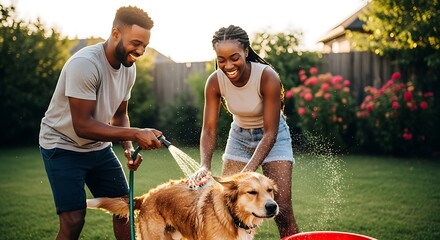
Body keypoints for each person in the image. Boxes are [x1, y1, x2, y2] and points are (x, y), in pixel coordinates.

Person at [39, 6, 163, 240]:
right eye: (136, 43)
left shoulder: (129, 69)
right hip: (62, 145)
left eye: (144, 46)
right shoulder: (85, 64)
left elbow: (119, 116)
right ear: (116, 34)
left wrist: (128, 149)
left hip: (98, 147)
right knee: (74, 219)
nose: (140, 51)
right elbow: (82, 125)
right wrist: (136, 133)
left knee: (125, 208)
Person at [188, 25, 300, 238]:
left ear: (246, 52)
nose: (228, 65)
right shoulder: (214, 81)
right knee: (229, 204)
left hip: (273, 137)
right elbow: (209, 129)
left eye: (234, 57)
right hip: (239, 135)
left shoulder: (267, 77)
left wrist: (246, 175)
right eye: (221, 60)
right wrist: (204, 164)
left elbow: (270, 133)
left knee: (281, 210)